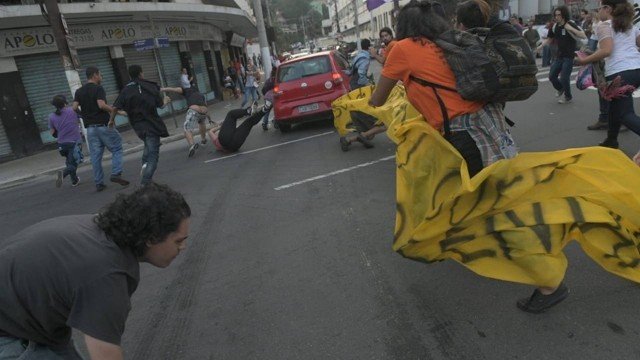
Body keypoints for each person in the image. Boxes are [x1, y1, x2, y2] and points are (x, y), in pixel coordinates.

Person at [369, 0, 573, 314]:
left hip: (465, 133)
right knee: (487, 194)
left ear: (403, 26)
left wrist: (382, 64)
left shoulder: (403, 49)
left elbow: (377, 98)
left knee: (493, 205)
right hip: (488, 122)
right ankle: (477, 240)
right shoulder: (448, 42)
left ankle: (550, 282)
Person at [0, 183, 190, 359]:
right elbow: (105, 352)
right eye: (178, 241)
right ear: (151, 237)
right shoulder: (107, 273)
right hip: (11, 333)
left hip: (36, 323)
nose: (182, 247)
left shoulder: (103, 229)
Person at [575, 0, 640, 149]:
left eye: (599, 9)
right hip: (636, 70)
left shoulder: (604, 26)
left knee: (625, 114)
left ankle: (611, 140)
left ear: (608, 8)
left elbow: (606, 50)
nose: (598, 12)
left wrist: (583, 60)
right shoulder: (630, 26)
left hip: (620, 73)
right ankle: (611, 140)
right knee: (614, 107)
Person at [109, 65, 170, 185]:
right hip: (151, 125)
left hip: (138, 128)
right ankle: (145, 181)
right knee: (153, 155)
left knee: (148, 144)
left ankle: (144, 165)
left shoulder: (126, 90)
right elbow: (161, 105)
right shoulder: (150, 86)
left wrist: (111, 120)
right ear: (141, 73)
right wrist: (167, 101)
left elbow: (115, 107)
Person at [73, 66, 129, 192]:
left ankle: (99, 183)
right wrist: (119, 112)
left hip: (90, 129)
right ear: (94, 75)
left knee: (95, 157)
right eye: (100, 74)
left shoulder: (79, 91)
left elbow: (74, 107)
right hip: (103, 126)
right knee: (117, 148)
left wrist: (84, 116)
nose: (101, 77)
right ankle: (116, 173)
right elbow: (101, 105)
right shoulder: (98, 88)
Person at [536, 6, 587, 104]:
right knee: (552, 76)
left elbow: (583, 35)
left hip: (569, 56)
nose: (557, 17)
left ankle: (568, 96)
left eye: (559, 15)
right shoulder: (555, 26)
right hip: (559, 56)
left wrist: (570, 28)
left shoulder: (570, 23)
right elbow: (550, 39)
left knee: (564, 78)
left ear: (564, 15)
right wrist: (540, 46)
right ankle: (561, 88)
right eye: (555, 15)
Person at [341, 39, 378, 151]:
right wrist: (367, 85)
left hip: (354, 82)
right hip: (359, 84)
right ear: (369, 47)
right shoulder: (365, 57)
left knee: (358, 108)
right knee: (363, 108)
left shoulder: (359, 54)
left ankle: (362, 134)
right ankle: (362, 134)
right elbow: (361, 73)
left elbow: (351, 69)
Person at [161, 86, 209, 157]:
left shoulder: (186, 90)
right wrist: (210, 118)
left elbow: (174, 89)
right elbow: (206, 105)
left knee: (187, 128)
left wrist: (162, 89)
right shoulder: (200, 94)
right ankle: (203, 139)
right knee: (201, 123)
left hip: (194, 110)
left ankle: (192, 145)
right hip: (204, 111)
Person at [208, 101, 273, 153]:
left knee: (249, 123)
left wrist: (221, 127)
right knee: (231, 114)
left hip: (234, 146)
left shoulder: (217, 144)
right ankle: (248, 111)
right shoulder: (217, 141)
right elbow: (210, 132)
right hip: (224, 140)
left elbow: (210, 132)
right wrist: (219, 126)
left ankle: (264, 109)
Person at [49, 95, 81, 188]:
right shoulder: (73, 110)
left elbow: (52, 133)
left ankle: (74, 180)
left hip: (62, 144)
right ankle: (62, 175)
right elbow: (83, 116)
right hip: (74, 142)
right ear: (65, 103)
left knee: (69, 162)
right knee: (73, 163)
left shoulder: (51, 116)